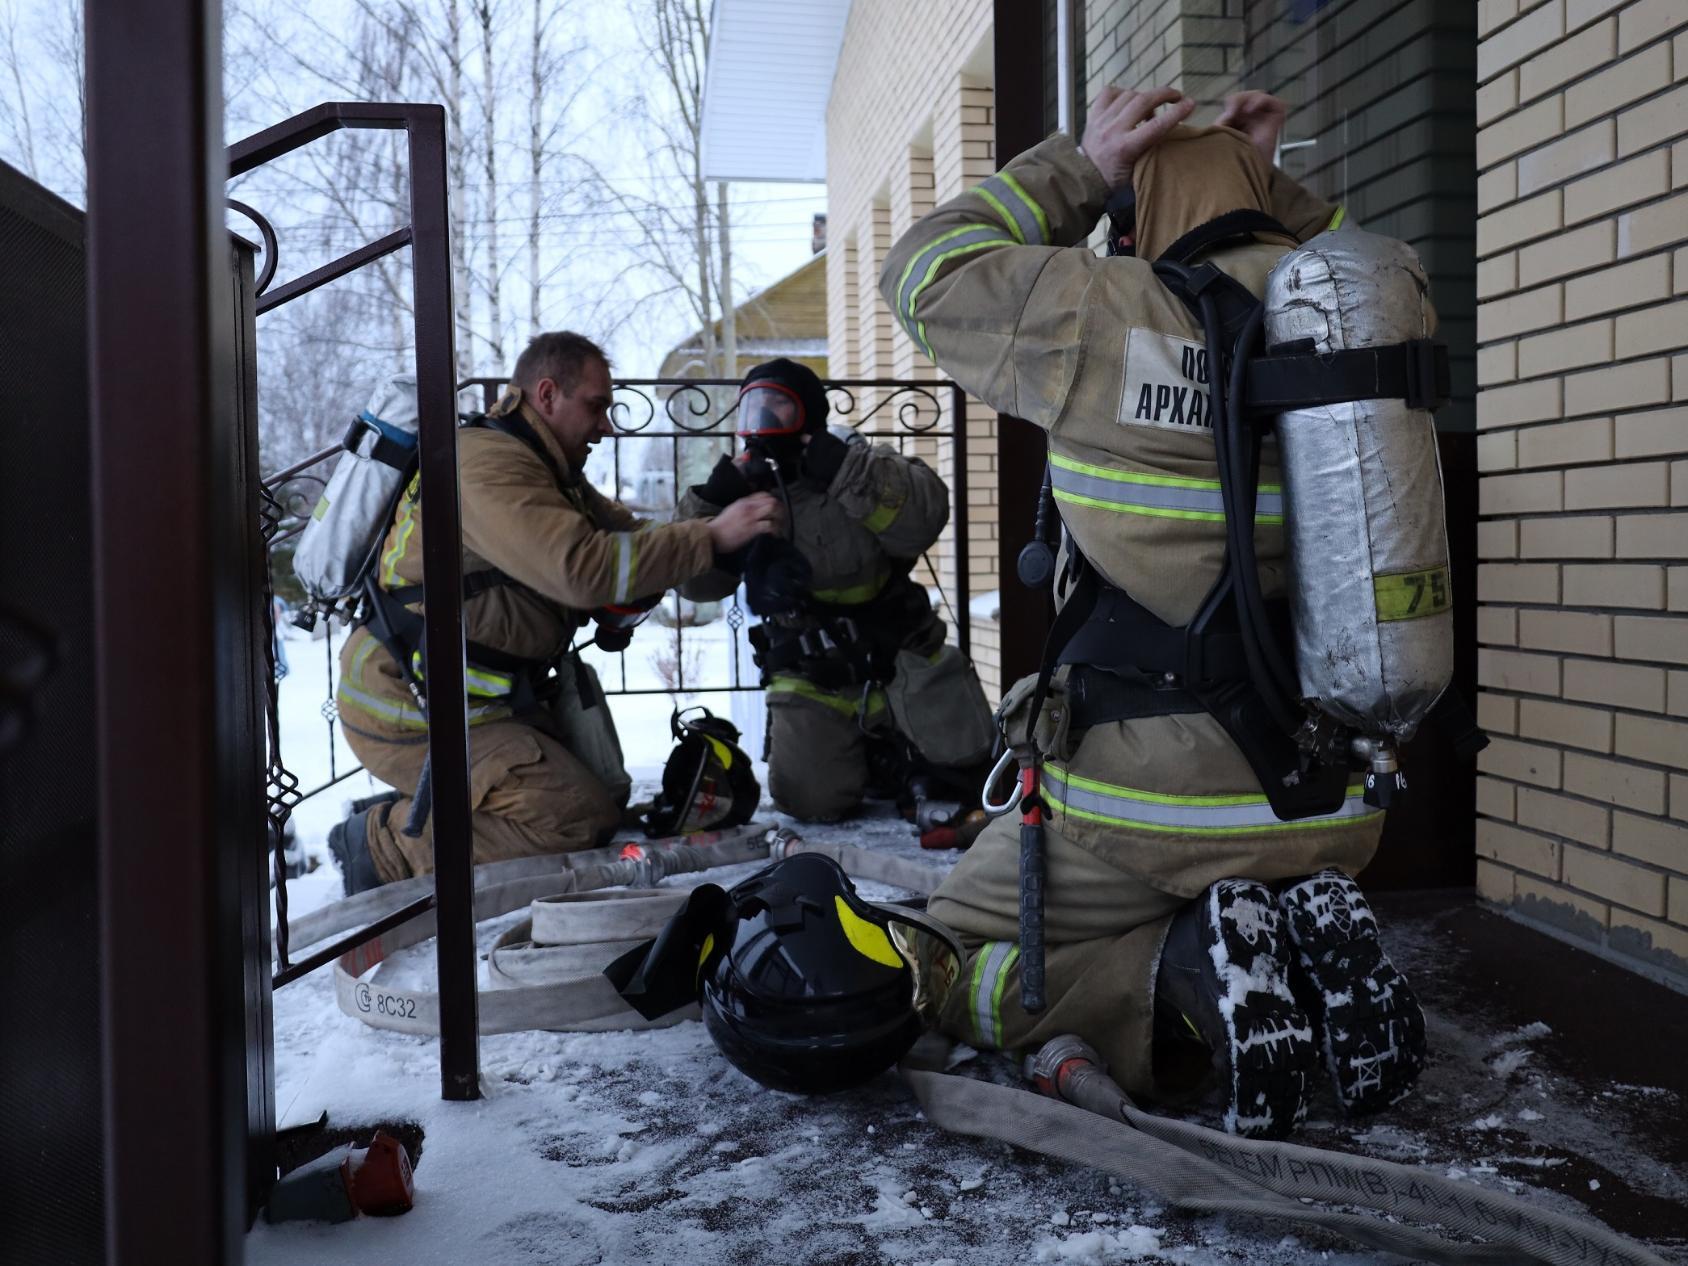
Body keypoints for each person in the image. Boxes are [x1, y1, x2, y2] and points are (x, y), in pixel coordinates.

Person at [880, 88, 1428, 1138]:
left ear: (1130, 217)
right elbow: (1357, 258)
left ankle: (1182, 971)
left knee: (940, 961)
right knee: (1216, 883)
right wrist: (1257, 179)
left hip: (1147, 804)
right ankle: (1271, 940)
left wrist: (1077, 165)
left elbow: (921, 269)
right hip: (1333, 796)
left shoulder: (1099, 313)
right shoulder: (1372, 309)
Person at [328, 331, 784, 893]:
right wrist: (710, 535)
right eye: (596, 406)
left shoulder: (546, 469)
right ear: (547, 394)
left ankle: (442, 803)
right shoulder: (487, 465)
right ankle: (384, 845)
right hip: (408, 706)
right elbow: (580, 569)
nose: (607, 425)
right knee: (575, 818)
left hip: (480, 698)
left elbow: (634, 546)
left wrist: (718, 512)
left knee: (604, 796)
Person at [673, 358, 996, 823]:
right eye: (753, 410)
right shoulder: (744, 497)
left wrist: (846, 470)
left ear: (811, 416)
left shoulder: (858, 470)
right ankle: (867, 758)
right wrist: (713, 510)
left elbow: (925, 518)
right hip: (813, 675)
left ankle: (898, 755)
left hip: (900, 660)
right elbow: (690, 585)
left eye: (778, 408)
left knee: (971, 771)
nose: (762, 424)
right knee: (811, 801)